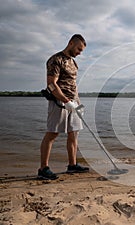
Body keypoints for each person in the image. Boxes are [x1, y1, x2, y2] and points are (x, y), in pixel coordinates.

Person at [38, 34, 89, 180]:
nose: (80, 52)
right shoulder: (56, 60)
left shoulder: (73, 63)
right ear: (71, 43)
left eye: (82, 50)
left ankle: (72, 165)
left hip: (74, 102)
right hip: (59, 103)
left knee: (74, 134)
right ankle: (43, 168)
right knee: (52, 134)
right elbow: (51, 84)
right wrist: (66, 101)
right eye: (79, 49)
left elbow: (73, 84)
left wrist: (77, 103)